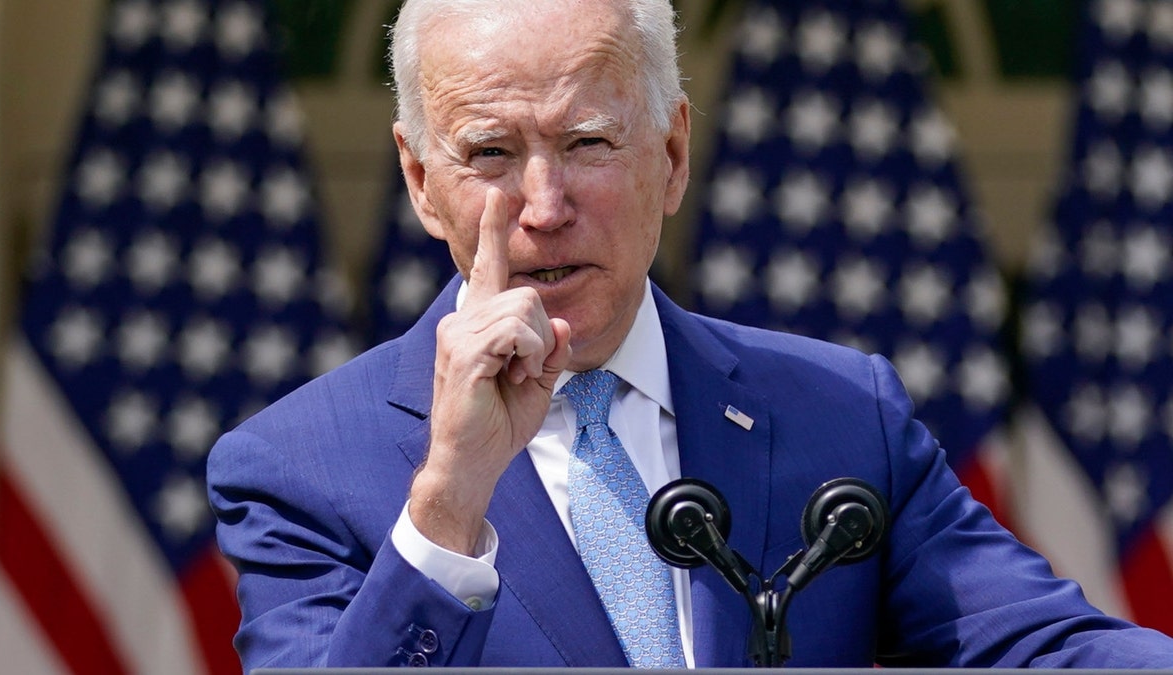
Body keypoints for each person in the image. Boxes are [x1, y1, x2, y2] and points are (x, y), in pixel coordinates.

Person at [207, 0, 1173, 670]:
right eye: (492, 154)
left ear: (670, 155)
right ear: (421, 183)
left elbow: (1043, 646)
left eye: (587, 143)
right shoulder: (298, 466)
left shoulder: (840, 415)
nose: (544, 206)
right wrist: (449, 502)